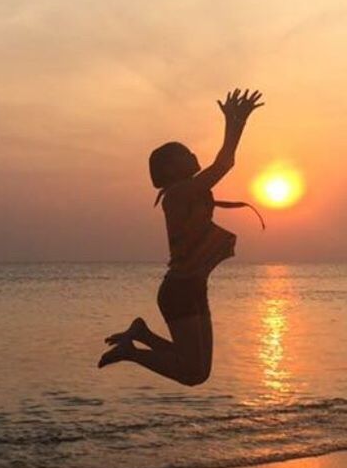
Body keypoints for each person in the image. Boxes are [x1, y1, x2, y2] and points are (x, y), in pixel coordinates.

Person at [99, 89, 264, 386]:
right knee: (192, 372)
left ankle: (141, 334)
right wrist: (235, 120)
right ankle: (131, 351)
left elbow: (226, 163)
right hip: (180, 290)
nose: (192, 154)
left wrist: (239, 120)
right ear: (170, 168)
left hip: (193, 287)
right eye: (185, 153)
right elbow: (225, 163)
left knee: (198, 370)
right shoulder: (178, 193)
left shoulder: (189, 191)